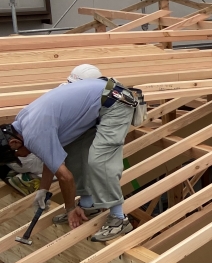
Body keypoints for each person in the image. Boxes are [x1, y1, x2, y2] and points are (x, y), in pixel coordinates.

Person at [0, 76, 141, 242]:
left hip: (115, 103)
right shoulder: (22, 122)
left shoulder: (32, 134)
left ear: (14, 143)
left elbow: (65, 177)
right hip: (101, 103)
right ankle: (88, 205)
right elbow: (51, 158)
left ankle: (119, 218)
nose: (22, 156)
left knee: (99, 160)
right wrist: (43, 189)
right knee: (74, 153)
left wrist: (69, 209)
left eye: (17, 155)